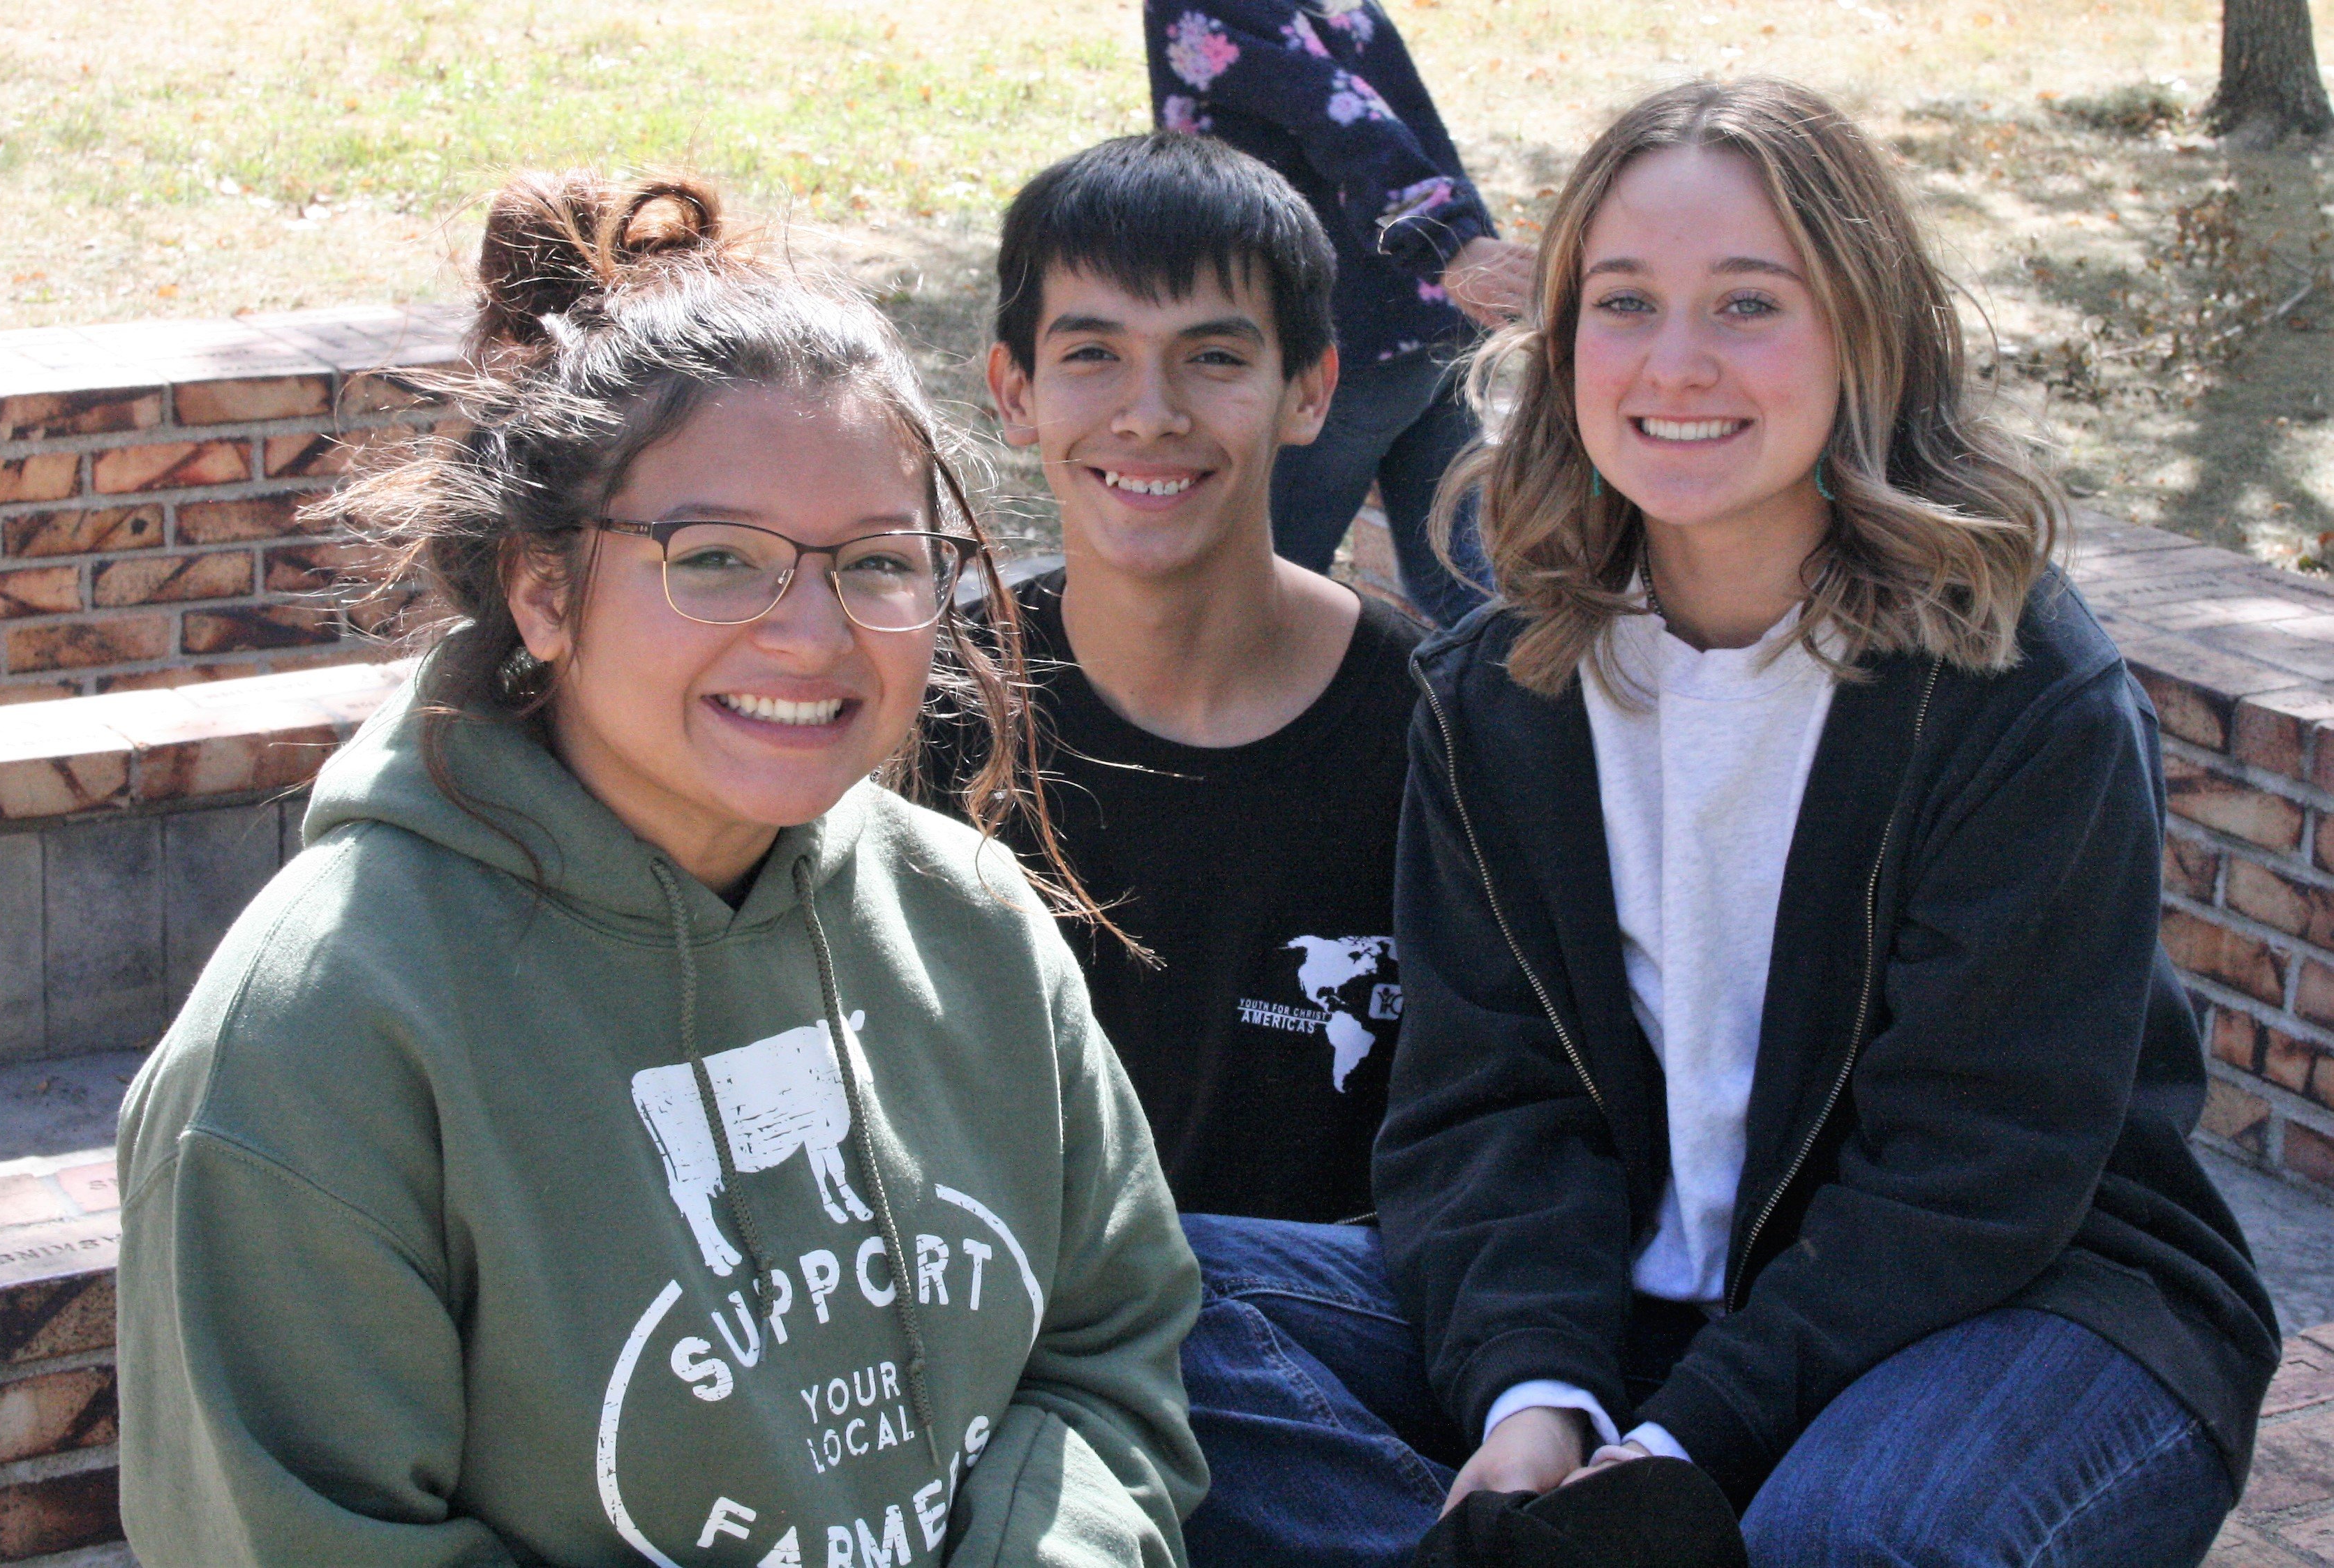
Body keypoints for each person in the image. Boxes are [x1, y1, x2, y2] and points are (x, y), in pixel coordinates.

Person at [1177, 77, 2281, 1567]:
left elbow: (1975, 1164)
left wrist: (1689, 1439)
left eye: (1747, 303)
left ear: (1860, 332)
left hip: (2025, 1300)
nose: (1674, 363)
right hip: (1623, 1305)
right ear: (1558, 343)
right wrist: (1529, 1400)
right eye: (1621, 302)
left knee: (1836, 1538)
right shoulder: (1504, 687)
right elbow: (1484, 1102)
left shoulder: (2012, 691)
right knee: (1142, 1309)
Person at [115, 172, 1205, 1567]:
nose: (812, 634)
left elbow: (1107, 1350)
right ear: (544, 588)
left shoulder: (974, 924)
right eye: (717, 558)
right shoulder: (321, 1037)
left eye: (876, 563)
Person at [942, 132, 1420, 1226]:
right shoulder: (928, 711)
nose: (1150, 413)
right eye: (1091, 354)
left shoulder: (1441, 734)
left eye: (1211, 357)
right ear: (1014, 392)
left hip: (1332, 1349)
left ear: (1308, 390)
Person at [1142, 0, 1532, 625]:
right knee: (1460, 583)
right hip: (1430, 323)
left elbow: (1342, 113)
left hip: (1343, 342)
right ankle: (1531, 712)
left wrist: (1447, 238)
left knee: (1258, 586)